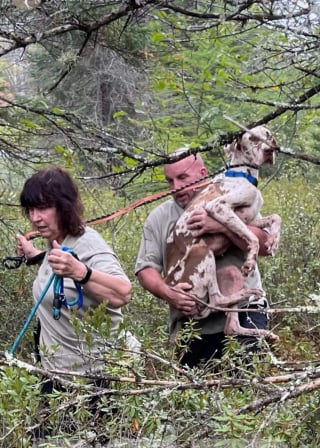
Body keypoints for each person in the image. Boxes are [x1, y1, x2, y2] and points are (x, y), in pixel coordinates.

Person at [16, 167, 131, 434]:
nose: (36, 218)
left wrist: (81, 272)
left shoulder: (88, 244)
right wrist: (35, 255)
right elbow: (58, 270)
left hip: (93, 380)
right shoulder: (56, 241)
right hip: (56, 377)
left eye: (43, 208)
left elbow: (123, 293)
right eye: (31, 210)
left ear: (63, 206)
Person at [135, 151, 275, 369]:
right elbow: (145, 269)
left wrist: (220, 225)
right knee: (197, 395)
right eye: (169, 181)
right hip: (193, 324)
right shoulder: (159, 218)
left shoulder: (228, 194)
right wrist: (169, 293)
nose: (175, 187)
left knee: (250, 387)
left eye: (182, 178)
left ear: (203, 173)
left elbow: (265, 245)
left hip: (245, 310)